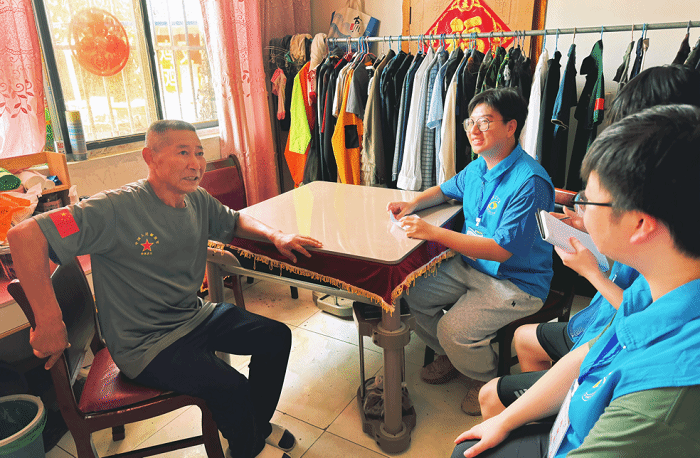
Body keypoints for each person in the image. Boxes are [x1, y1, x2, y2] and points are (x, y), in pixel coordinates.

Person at [6, 120, 323, 458]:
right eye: (183, 153)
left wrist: (276, 235)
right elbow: (25, 235)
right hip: (144, 344)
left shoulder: (197, 199)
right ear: (150, 157)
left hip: (193, 317)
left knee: (276, 338)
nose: (196, 163)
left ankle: (255, 427)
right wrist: (48, 319)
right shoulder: (113, 209)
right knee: (231, 388)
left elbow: (233, 220)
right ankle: (250, 449)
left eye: (199, 153)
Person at [452, 104, 700, 458]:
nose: (580, 210)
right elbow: (592, 352)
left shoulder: (659, 402)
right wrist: (506, 420)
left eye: (589, 201)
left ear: (640, 224)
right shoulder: (659, 283)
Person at [387, 88, 555, 415]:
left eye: (485, 122)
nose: (473, 131)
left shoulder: (530, 182)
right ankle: (452, 355)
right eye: (470, 122)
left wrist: (433, 232)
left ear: (511, 127)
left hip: (516, 281)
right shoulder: (478, 167)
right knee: (412, 292)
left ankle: (485, 377)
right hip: (470, 266)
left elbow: (500, 251)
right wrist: (413, 203)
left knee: (454, 330)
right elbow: (445, 190)